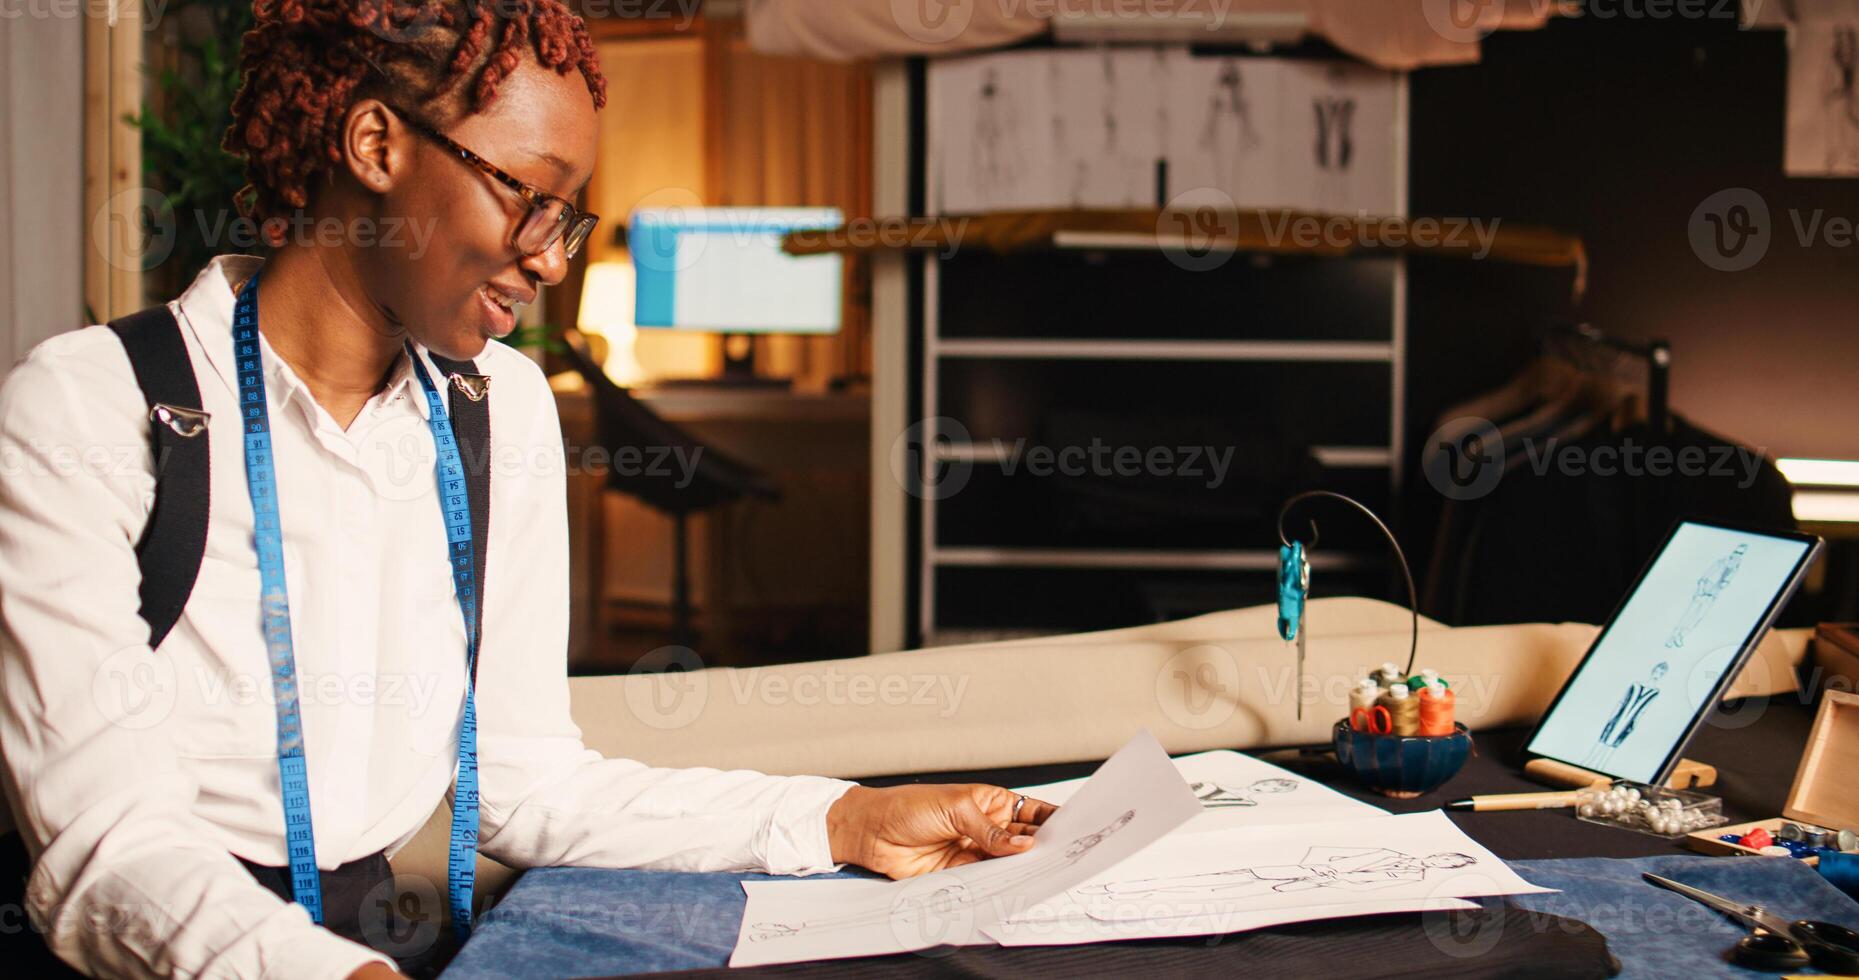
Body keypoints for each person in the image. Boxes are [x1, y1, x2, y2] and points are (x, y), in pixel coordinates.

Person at [0, 1, 1052, 977]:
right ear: (375, 146)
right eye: (527, 195)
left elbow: (528, 786)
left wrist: (846, 818)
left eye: (569, 215)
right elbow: (108, 840)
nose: (551, 257)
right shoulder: (91, 406)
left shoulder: (499, 406)